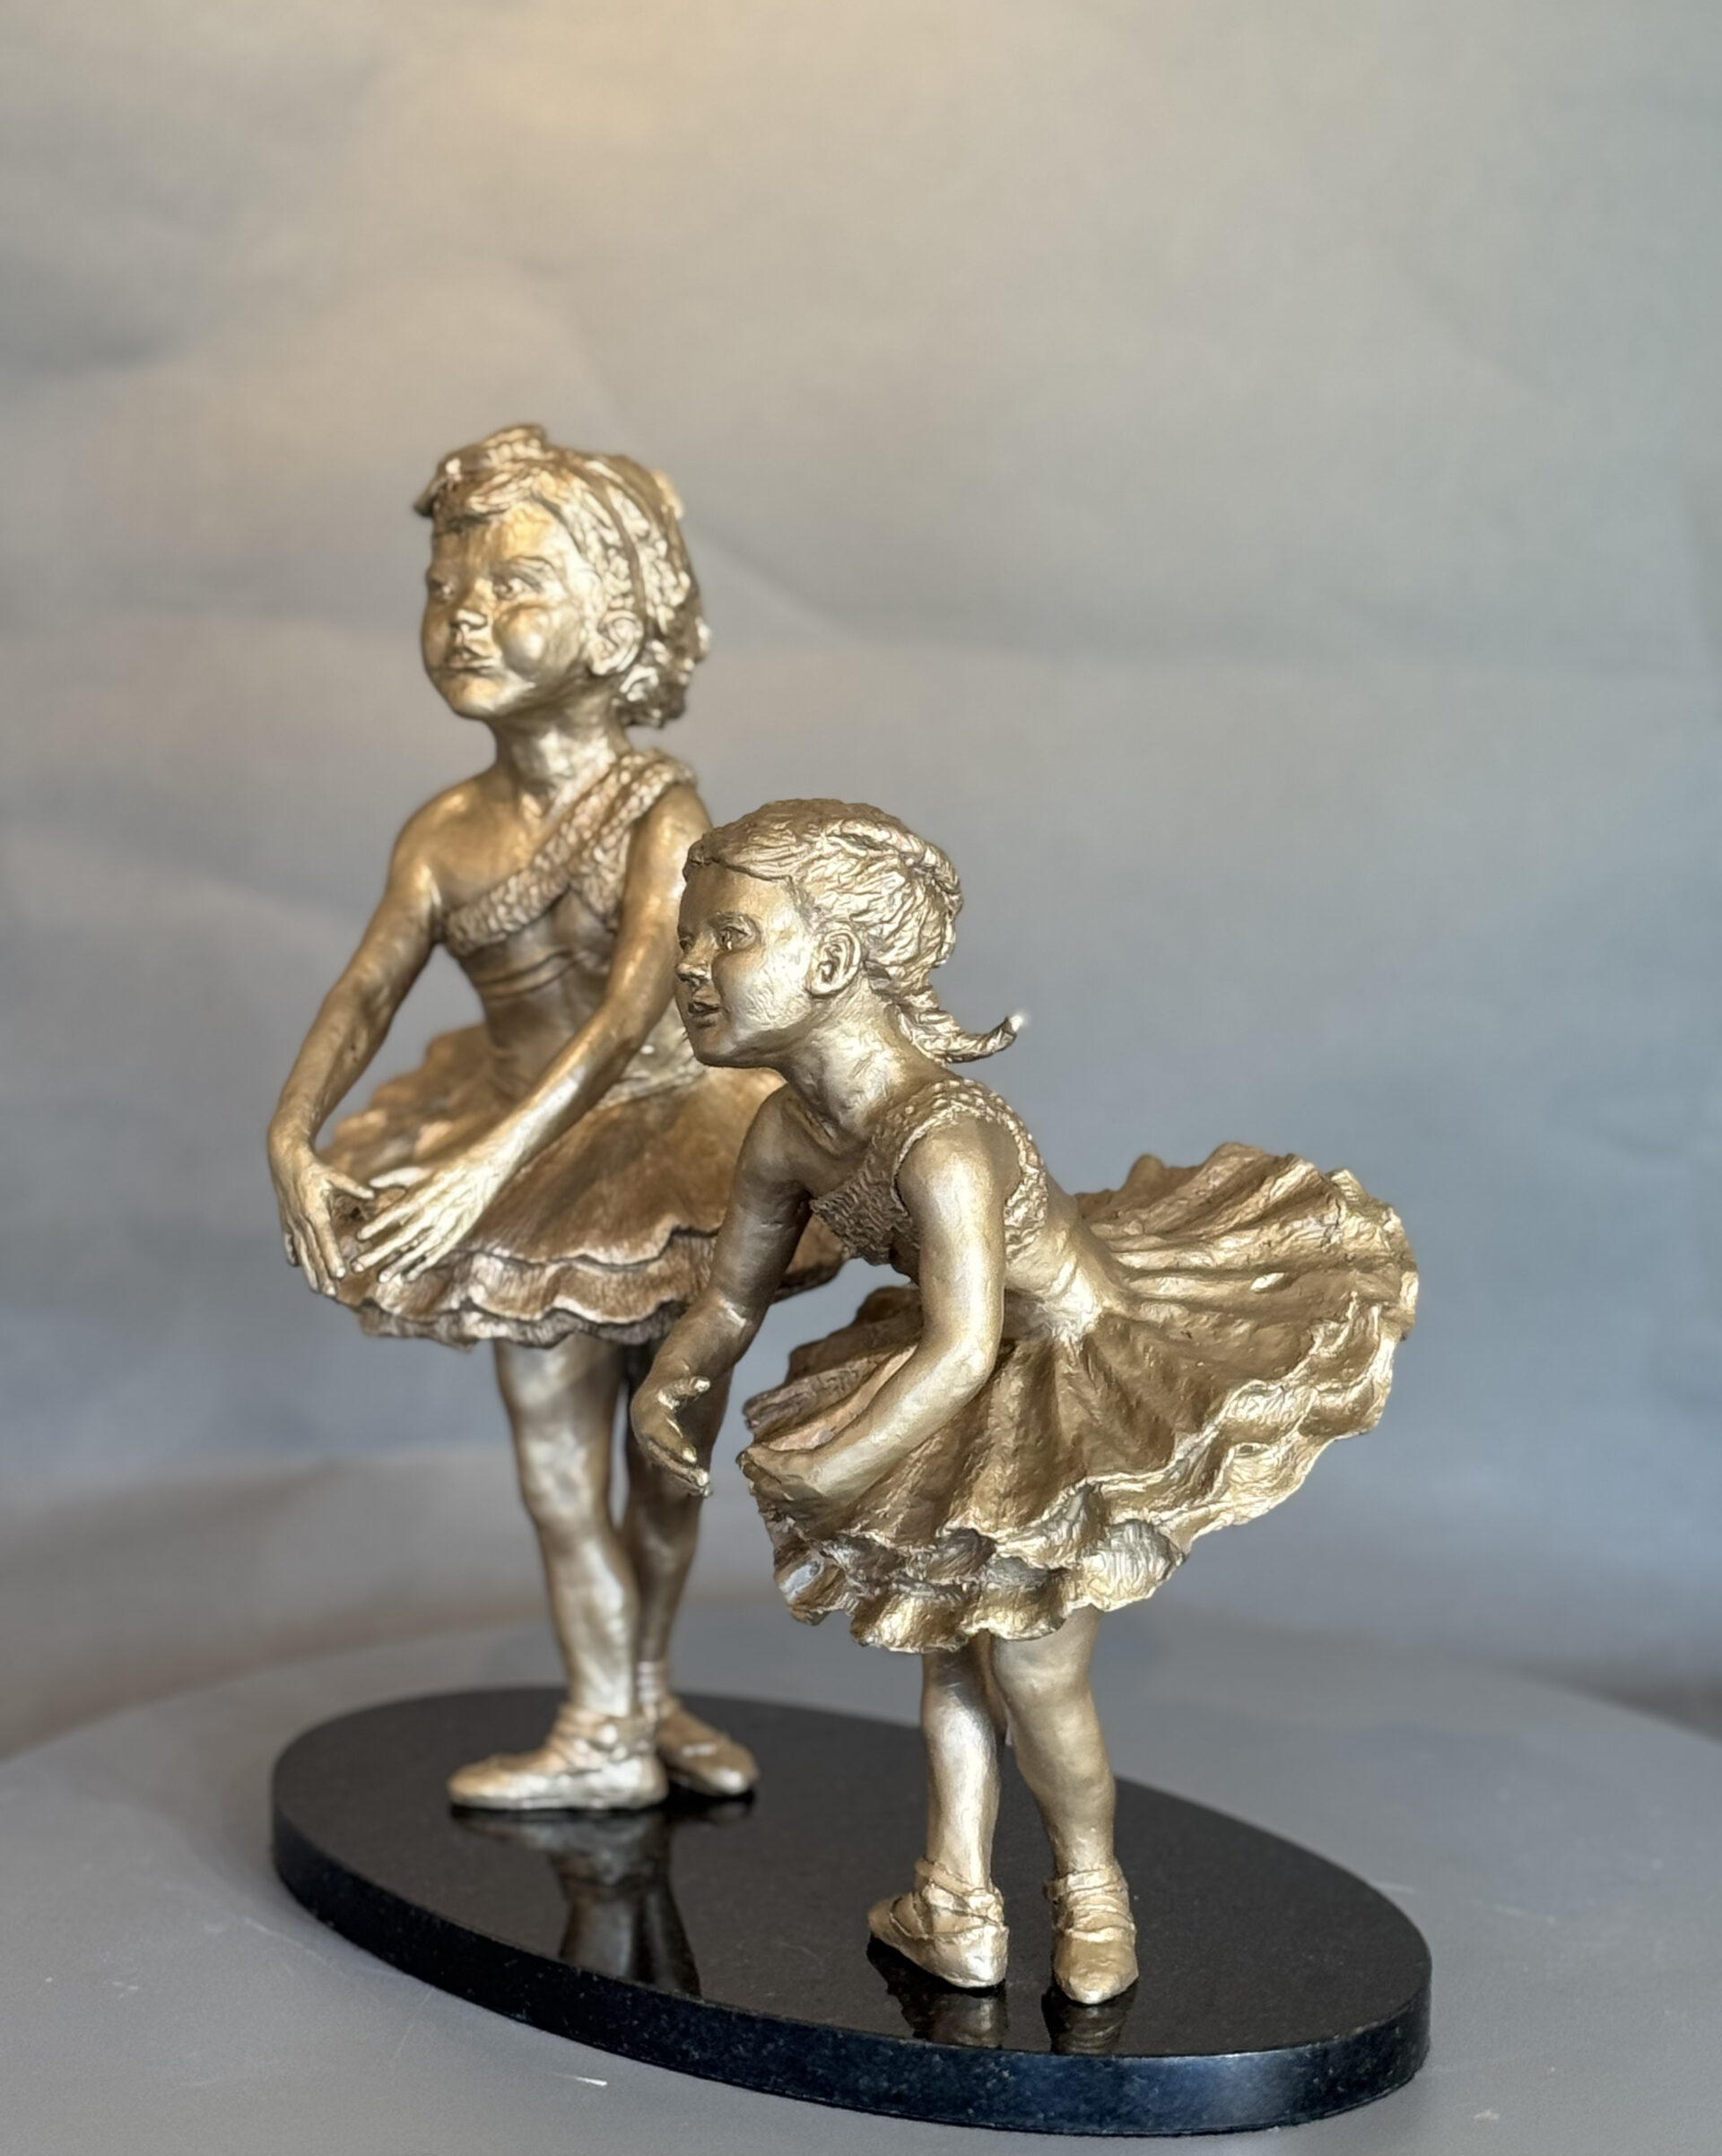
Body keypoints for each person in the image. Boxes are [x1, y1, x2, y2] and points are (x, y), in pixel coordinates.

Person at [632, 800, 1415, 2002]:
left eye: (726, 937)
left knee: (1039, 1678)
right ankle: (955, 1903)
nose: (688, 966)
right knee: (947, 1648)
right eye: (689, 937)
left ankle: (1093, 1892)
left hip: (1068, 1372)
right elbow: (733, 1300)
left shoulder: (941, 1143)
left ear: (832, 962)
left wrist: (838, 1469)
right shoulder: (787, 1134)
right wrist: (672, 1384)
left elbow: (962, 1347)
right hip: (961, 1374)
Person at [266, 430, 838, 1813]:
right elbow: (364, 992)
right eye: (445, 590)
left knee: (668, 1448)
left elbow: (628, 1014)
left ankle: (641, 1696)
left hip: (669, 1147)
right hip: (517, 1150)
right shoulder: (444, 834)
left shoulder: (662, 809)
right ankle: (601, 1720)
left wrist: (483, 1174)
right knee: (550, 1454)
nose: (468, 616)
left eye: (516, 585)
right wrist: (291, 1131)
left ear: (618, 617)